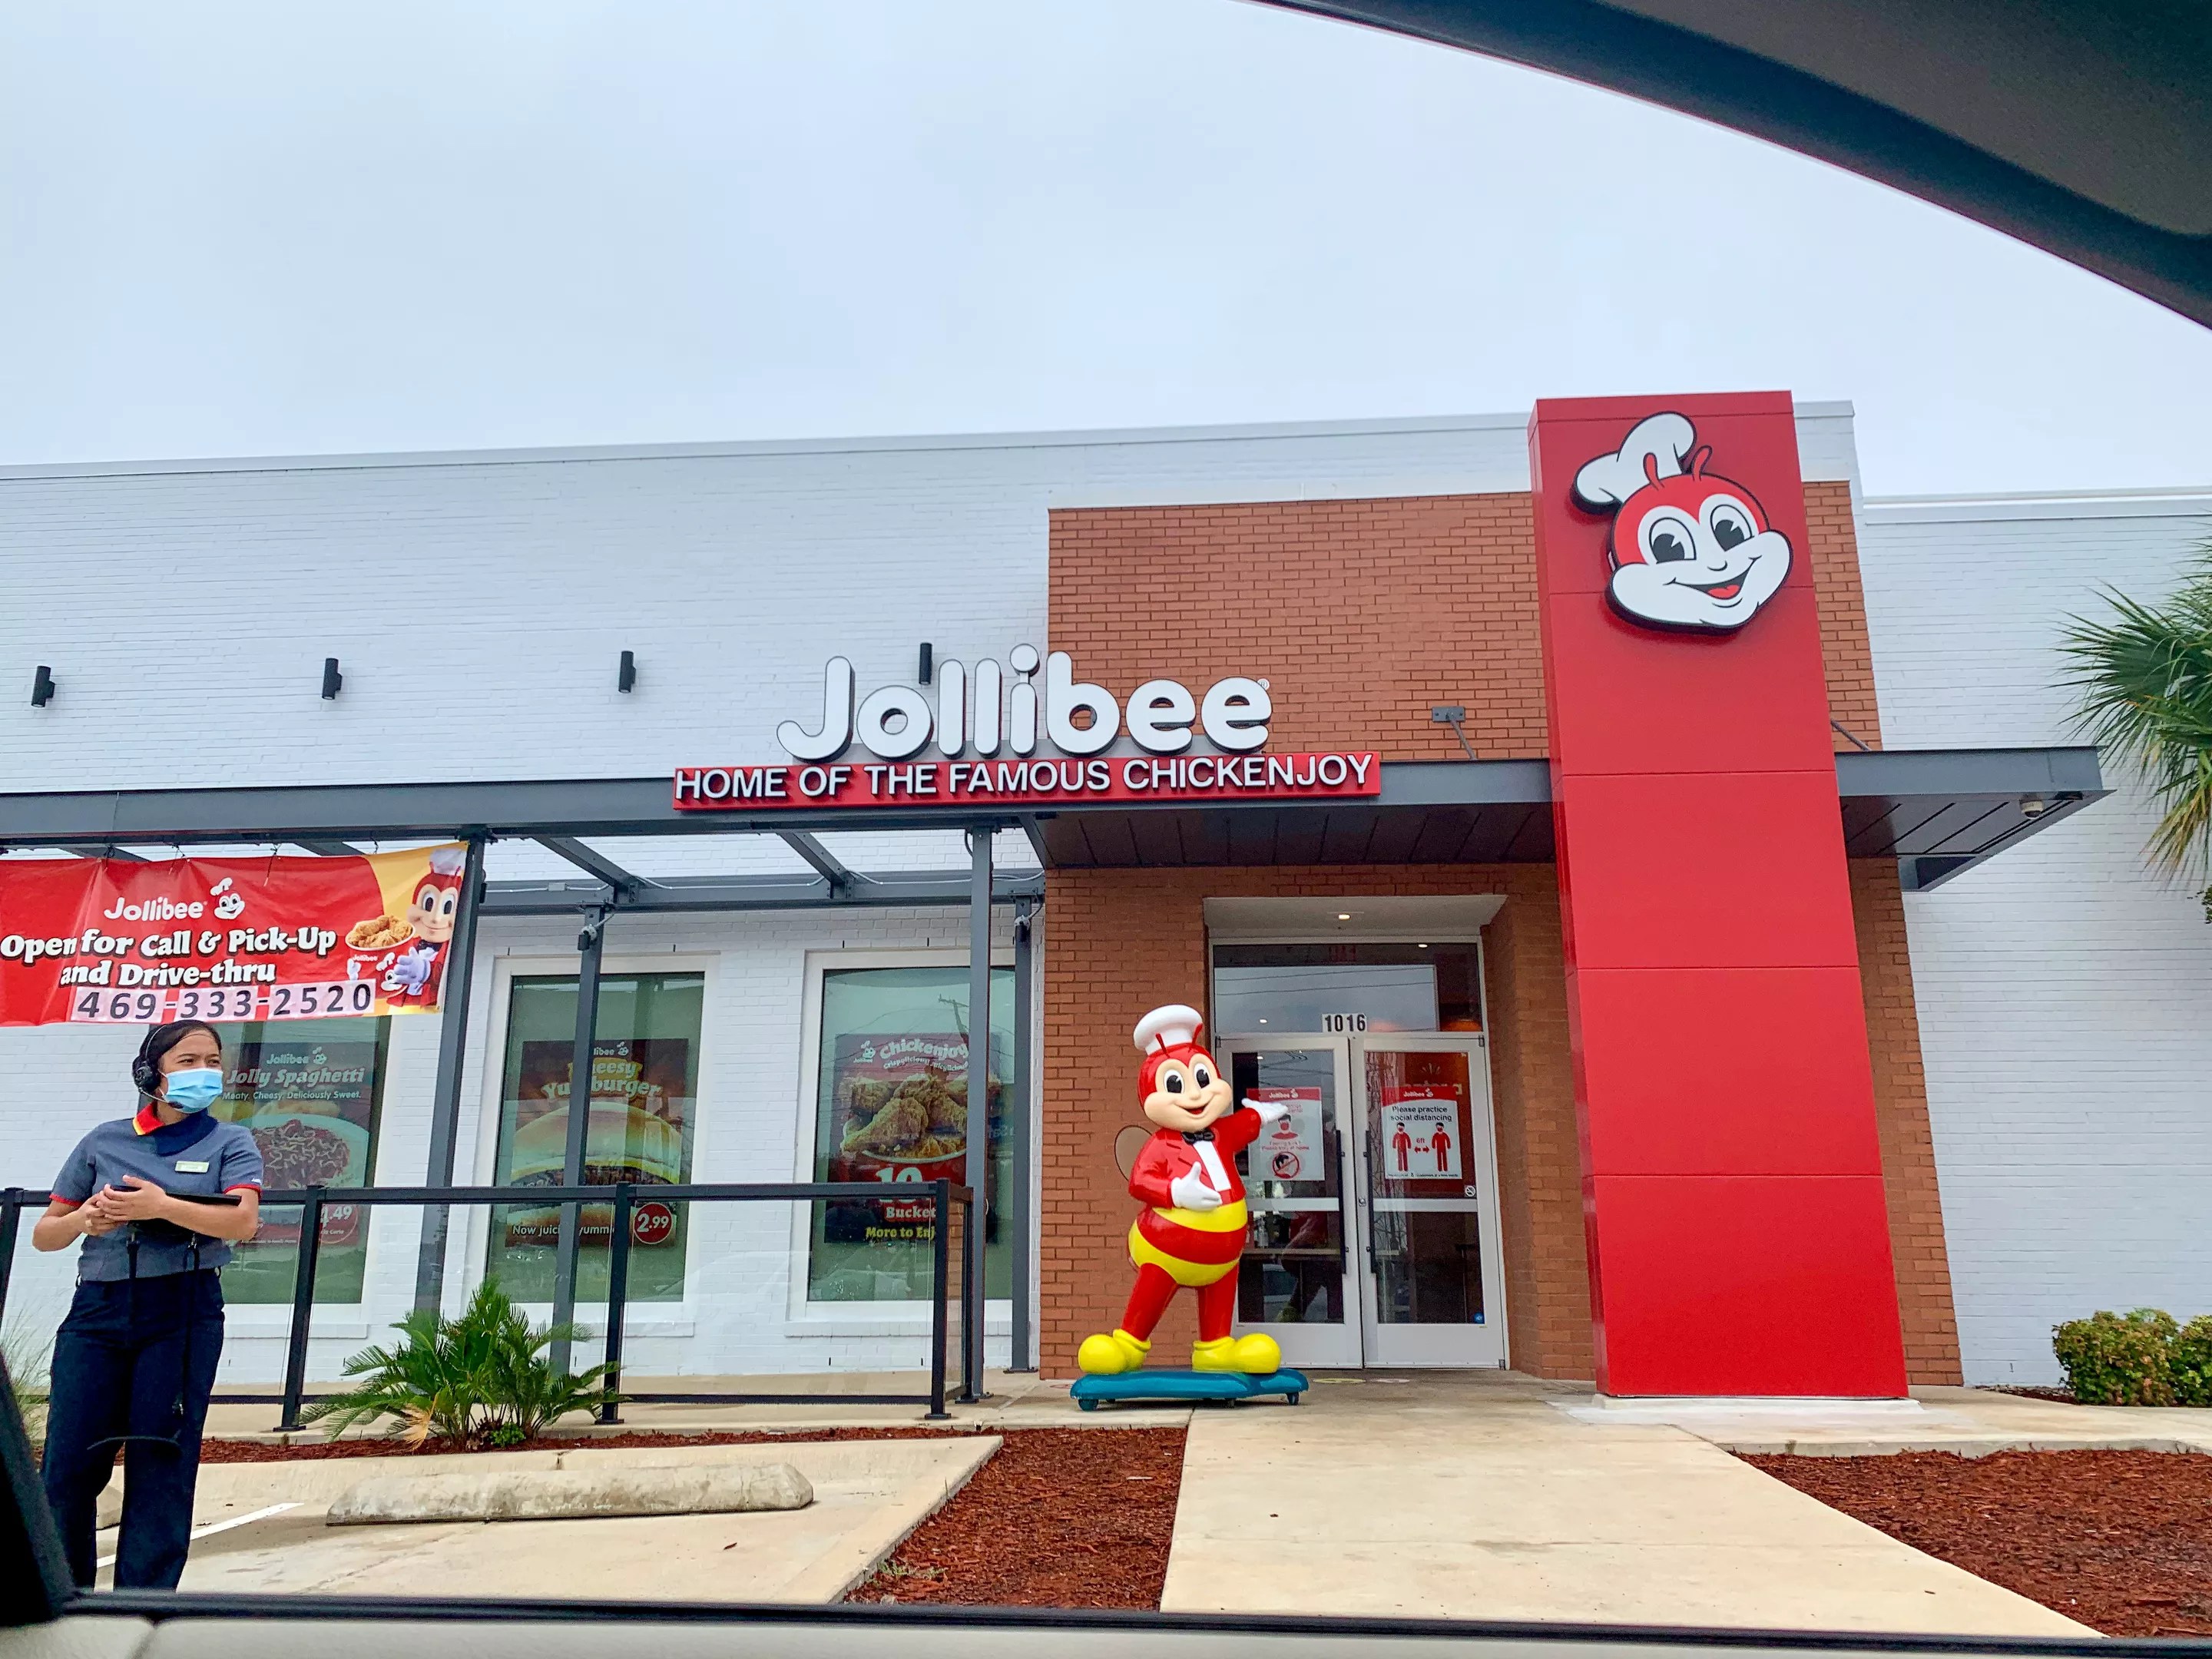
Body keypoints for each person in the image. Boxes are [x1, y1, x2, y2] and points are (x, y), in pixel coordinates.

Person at [31, 1022, 263, 1590]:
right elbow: (45, 1234)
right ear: (150, 1073)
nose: (203, 1071)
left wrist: (161, 1206)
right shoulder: (103, 1141)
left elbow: (242, 1222)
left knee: (161, 1461)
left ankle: (144, 1605)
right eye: (187, 1061)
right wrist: (85, 1219)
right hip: (98, 1311)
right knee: (68, 1463)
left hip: (183, 1310)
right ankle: (65, 1597)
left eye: (212, 1061)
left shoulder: (231, 1142)